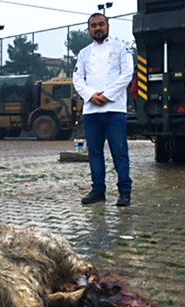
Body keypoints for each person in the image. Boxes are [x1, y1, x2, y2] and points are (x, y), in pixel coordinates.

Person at [73, 13, 134, 207]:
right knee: (95, 153)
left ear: (108, 26)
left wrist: (107, 96)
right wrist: (92, 95)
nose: (97, 28)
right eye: (93, 25)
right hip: (91, 112)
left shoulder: (121, 48)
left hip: (115, 109)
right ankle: (98, 190)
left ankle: (125, 192)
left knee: (119, 152)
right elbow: (77, 80)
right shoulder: (83, 53)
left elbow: (127, 74)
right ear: (89, 29)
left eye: (101, 24)